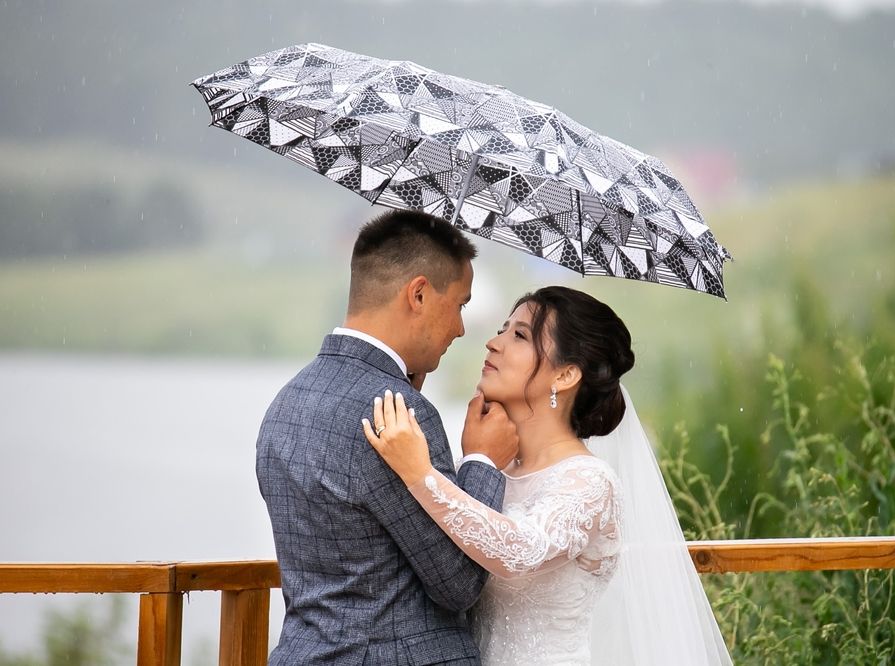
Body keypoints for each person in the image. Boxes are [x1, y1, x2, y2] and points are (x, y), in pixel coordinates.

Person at [364, 286, 733, 665]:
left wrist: (420, 474)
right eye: (502, 330)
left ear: (566, 374)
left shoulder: (590, 483)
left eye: (519, 336)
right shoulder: (490, 469)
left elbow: (520, 551)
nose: (493, 343)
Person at [256, 209, 519, 665]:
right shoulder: (400, 413)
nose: (461, 328)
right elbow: (459, 583)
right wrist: (482, 462)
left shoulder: (286, 403)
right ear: (418, 294)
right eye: (460, 305)